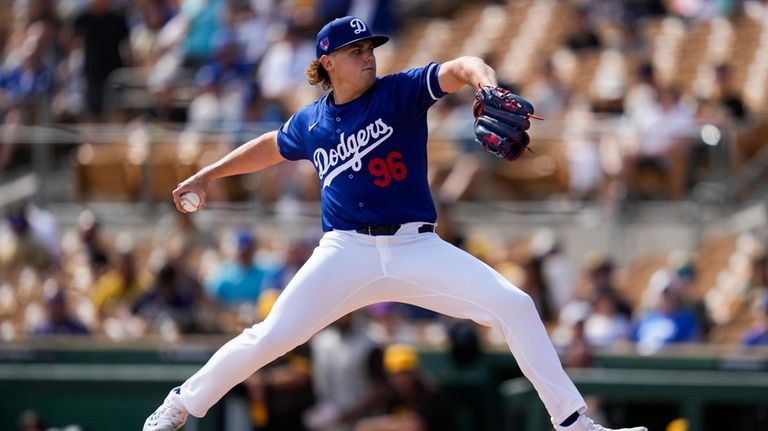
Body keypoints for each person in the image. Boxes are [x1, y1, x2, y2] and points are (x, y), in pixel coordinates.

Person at [143, 16, 647, 431]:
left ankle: (573, 424)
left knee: (514, 304)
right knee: (270, 336)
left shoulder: (400, 92)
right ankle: (180, 405)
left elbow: (461, 65)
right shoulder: (311, 123)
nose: (368, 54)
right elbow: (268, 148)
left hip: (415, 247)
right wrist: (207, 174)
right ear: (327, 62)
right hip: (344, 253)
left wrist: (486, 84)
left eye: (370, 46)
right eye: (355, 49)